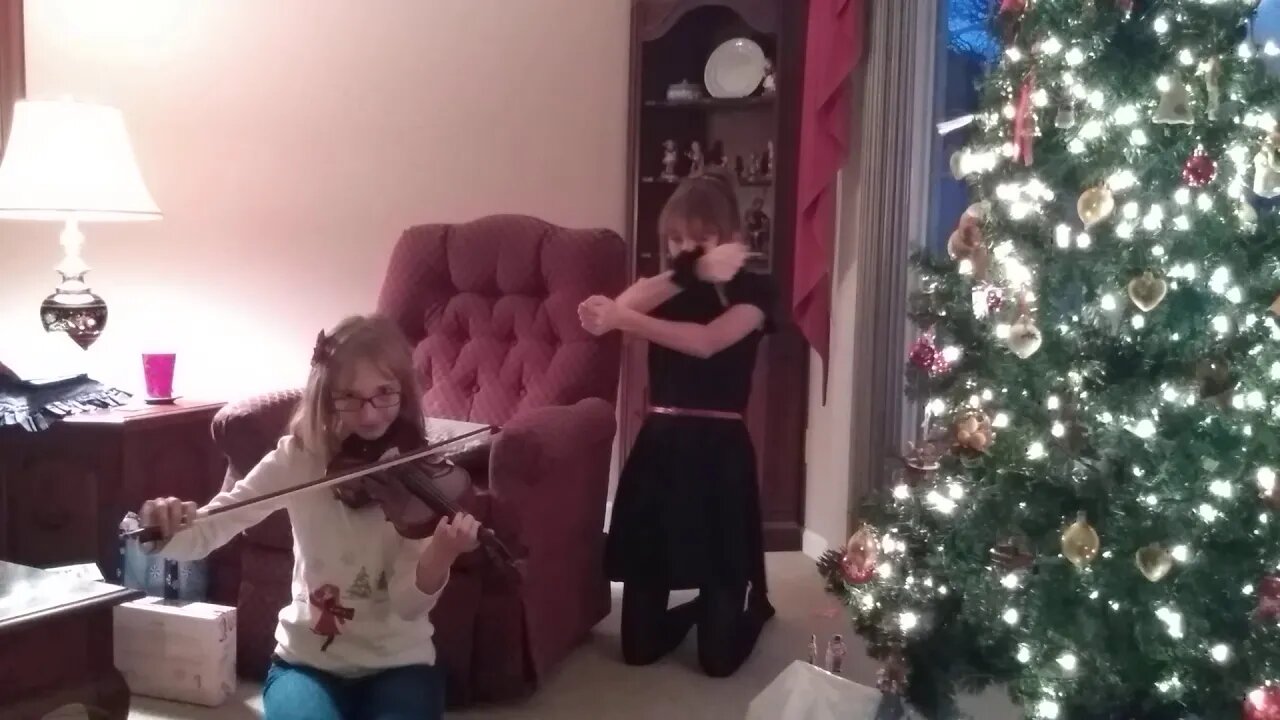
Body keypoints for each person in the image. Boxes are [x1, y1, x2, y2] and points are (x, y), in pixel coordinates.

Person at [138, 314, 481, 720]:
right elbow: (214, 524)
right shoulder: (297, 460)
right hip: (306, 664)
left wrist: (440, 553)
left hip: (400, 664)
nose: (369, 416)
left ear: (403, 394)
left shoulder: (414, 476)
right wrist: (162, 525)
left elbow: (407, 607)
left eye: (384, 393)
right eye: (349, 396)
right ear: (324, 396)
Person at [578, 166, 776, 678]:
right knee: (637, 650)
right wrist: (687, 273)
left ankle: (749, 605)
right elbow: (613, 313)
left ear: (730, 236)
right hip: (661, 448)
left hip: (720, 454)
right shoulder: (669, 285)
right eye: (676, 240)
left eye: (701, 238)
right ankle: (694, 608)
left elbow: (705, 343)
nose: (687, 248)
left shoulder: (758, 289)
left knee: (718, 662)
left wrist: (628, 318)